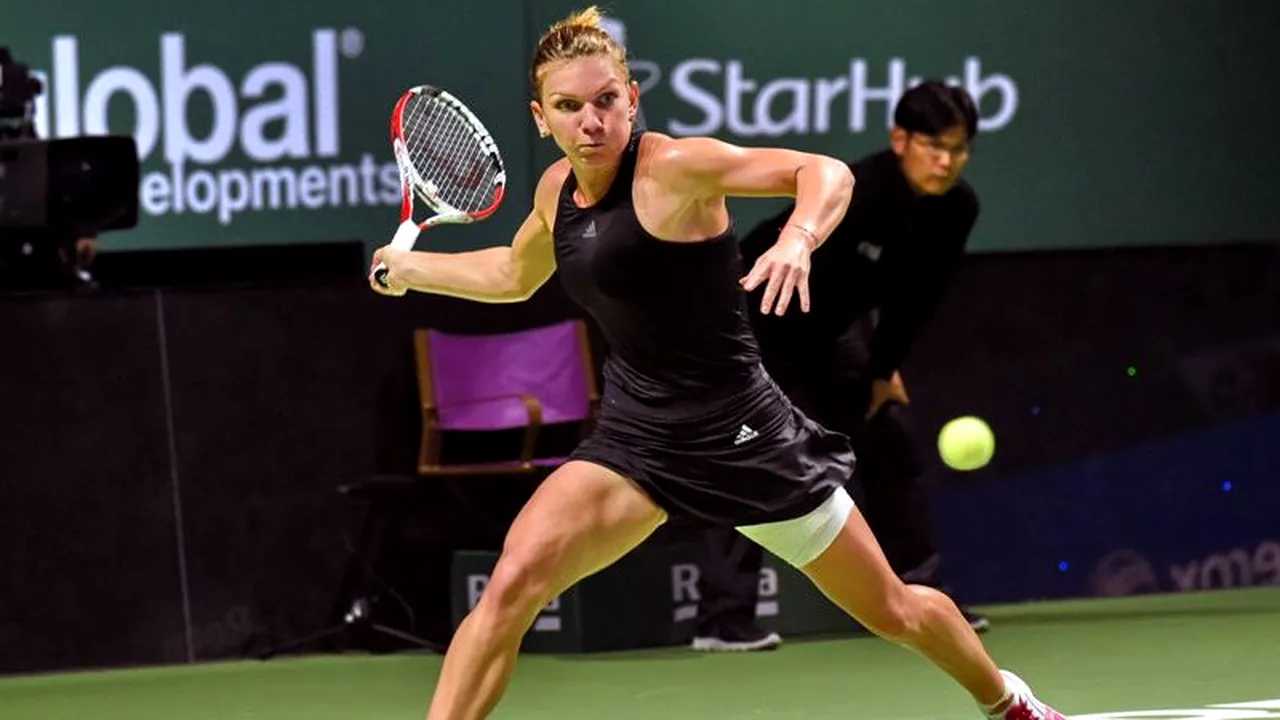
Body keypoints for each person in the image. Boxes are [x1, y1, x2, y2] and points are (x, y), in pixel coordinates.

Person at [369, 8, 1066, 720]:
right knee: (513, 583)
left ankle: (1006, 701)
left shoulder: (676, 168)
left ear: (632, 99)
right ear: (540, 117)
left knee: (891, 608)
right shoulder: (556, 193)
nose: (591, 121)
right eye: (568, 107)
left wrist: (798, 237)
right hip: (638, 441)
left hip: (744, 437)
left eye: (606, 100)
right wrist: (414, 268)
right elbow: (515, 275)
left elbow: (822, 173)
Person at [693, 81, 990, 651]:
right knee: (754, 458)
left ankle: (922, 595)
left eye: (959, 148)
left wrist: (882, 371)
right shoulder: (864, 191)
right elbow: (772, 264)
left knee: (888, 438)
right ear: (900, 140)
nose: (947, 161)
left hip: (832, 331)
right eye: (934, 145)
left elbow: (916, 301)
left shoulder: (957, 208)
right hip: (759, 318)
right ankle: (722, 620)